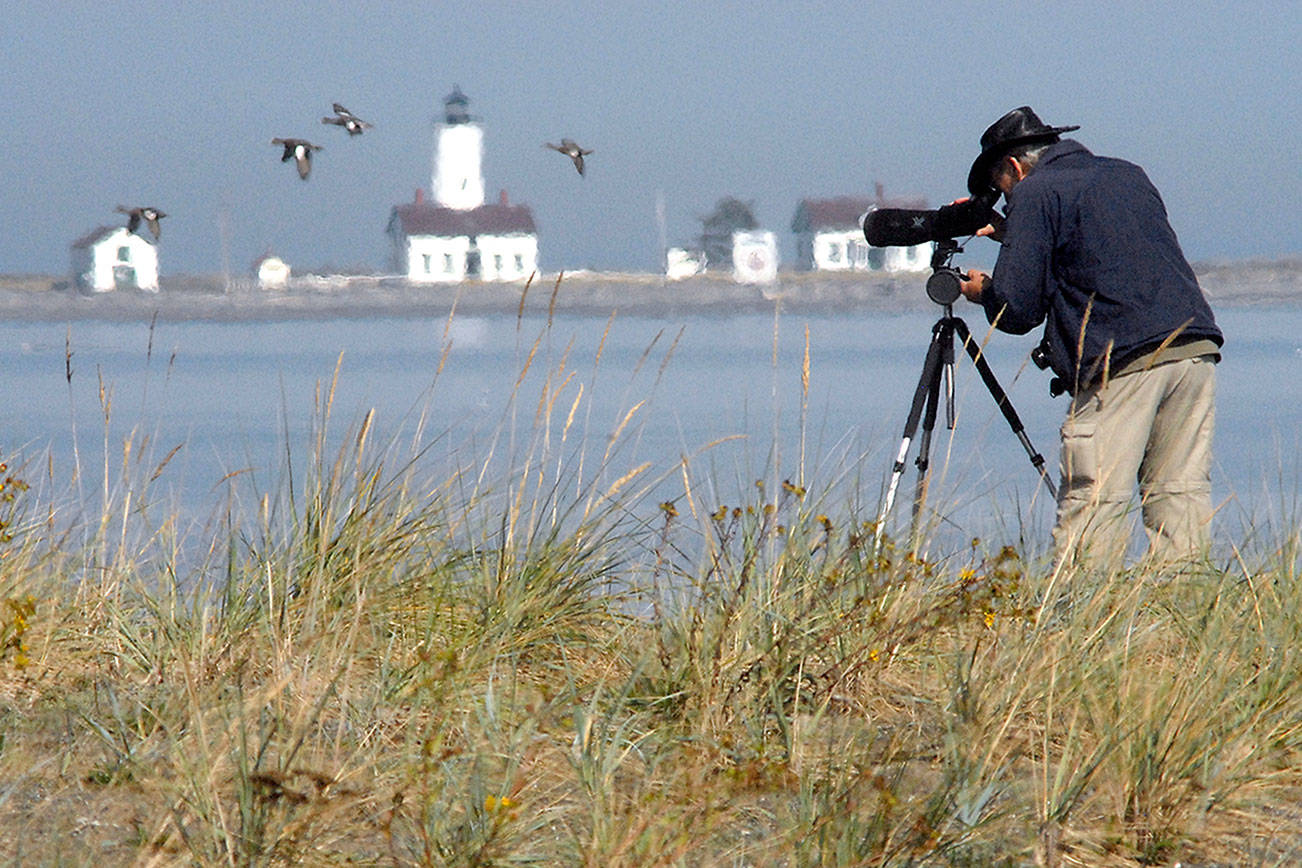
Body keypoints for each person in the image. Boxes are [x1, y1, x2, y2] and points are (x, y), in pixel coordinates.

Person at [957, 106, 1223, 567]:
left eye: (1003, 190)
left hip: (1122, 363)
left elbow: (1016, 309)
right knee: (1178, 494)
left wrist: (981, 292)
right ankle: (1186, 618)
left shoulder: (1035, 191)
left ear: (1014, 167)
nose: (1006, 200)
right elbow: (1100, 250)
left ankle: (1080, 618)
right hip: (1193, 349)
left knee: (1095, 499)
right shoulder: (1125, 175)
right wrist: (1018, 237)